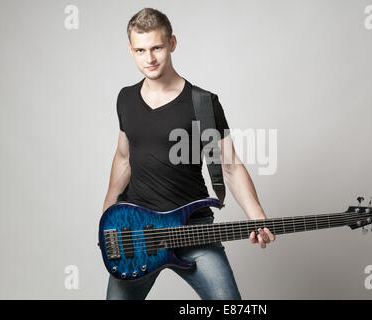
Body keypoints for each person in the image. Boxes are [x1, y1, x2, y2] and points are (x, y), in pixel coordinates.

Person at [102, 7, 275, 300]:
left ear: (172, 43)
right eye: (140, 50)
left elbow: (230, 167)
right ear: (131, 50)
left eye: (156, 47)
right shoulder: (126, 98)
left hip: (192, 229)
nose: (150, 58)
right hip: (138, 234)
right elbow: (123, 156)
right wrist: (108, 215)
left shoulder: (203, 104)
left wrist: (256, 215)